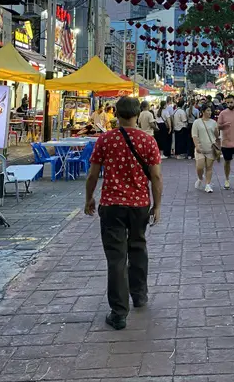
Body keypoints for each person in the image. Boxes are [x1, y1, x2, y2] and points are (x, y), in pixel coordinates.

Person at [84, 97, 163, 330]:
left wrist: (89, 197)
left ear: (116, 114)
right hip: (139, 205)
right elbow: (156, 177)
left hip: (112, 205)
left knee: (116, 258)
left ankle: (119, 312)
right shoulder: (148, 141)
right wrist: (157, 205)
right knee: (138, 246)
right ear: (137, 114)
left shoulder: (105, 140)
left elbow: (92, 174)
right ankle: (139, 295)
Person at [192, 104, 220, 193]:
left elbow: (217, 136)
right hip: (200, 148)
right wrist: (197, 145)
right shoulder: (197, 122)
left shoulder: (213, 122)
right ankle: (200, 178)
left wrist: (216, 132)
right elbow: (194, 135)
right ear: (203, 111)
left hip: (210, 148)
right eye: (208, 110)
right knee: (199, 167)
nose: (210, 112)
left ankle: (208, 185)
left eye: (210, 110)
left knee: (209, 167)